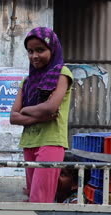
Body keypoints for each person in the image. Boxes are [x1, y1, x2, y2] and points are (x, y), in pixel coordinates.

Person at [10, 27, 74, 203]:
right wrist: (40, 115)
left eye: (40, 50)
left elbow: (50, 107)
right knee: (32, 197)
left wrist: (26, 110)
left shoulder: (62, 73)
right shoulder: (28, 81)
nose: (34, 56)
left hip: (51, 141)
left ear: (52, 50)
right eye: (30, 51)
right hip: (29, 141)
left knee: (40, 200)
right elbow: (13, 117)